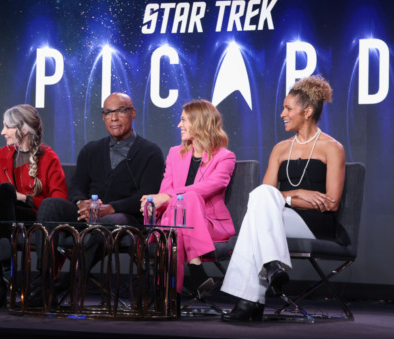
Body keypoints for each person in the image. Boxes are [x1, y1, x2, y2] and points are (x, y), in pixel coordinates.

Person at [221, 75, 345, 322]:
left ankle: (252, 298)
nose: (282, 114)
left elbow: (331, 202)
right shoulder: (280, 148)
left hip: (314, 222)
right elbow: (264, 196)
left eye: (288, 108)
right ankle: (270, 268)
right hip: (278, 217)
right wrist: (295, 194)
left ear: (307, 111)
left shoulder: (332, 147)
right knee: (260, 197)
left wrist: (283, 198)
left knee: (256, 213)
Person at [37, 92, 165, 287]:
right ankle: (44, 278)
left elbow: (146, 196)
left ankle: (69, 282)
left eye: (120, 111)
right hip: (89, 213)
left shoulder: (150, 152)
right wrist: (81, 203)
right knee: (50, 205)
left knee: (106, 222)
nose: (113, 118)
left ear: (133, 113)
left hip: (125, 217)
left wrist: (111, 208)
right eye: (107, 112)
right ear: (103, 117)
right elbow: (77, 186)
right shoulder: (91, 150)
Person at [139, 99, 235, 298]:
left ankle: (166, 293)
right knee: (178, 211)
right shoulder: (175, 154)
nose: (179, 125)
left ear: (200, 122)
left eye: (184, 120)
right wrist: (155, 202)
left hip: (207, 224)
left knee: (189, 197)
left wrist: (166, 197)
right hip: (175, 222)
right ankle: (196, 272)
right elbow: (165, 191)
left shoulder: (225, 157)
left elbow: (210, 186)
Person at [0, 104, 68, 307]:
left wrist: (23, 198)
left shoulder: (49, 157)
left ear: (24, 129)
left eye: (7, 127)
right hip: (3, 214)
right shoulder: (2, 154)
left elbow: (58, 200)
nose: (2, 132)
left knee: (6, 193)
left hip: (34, 218)